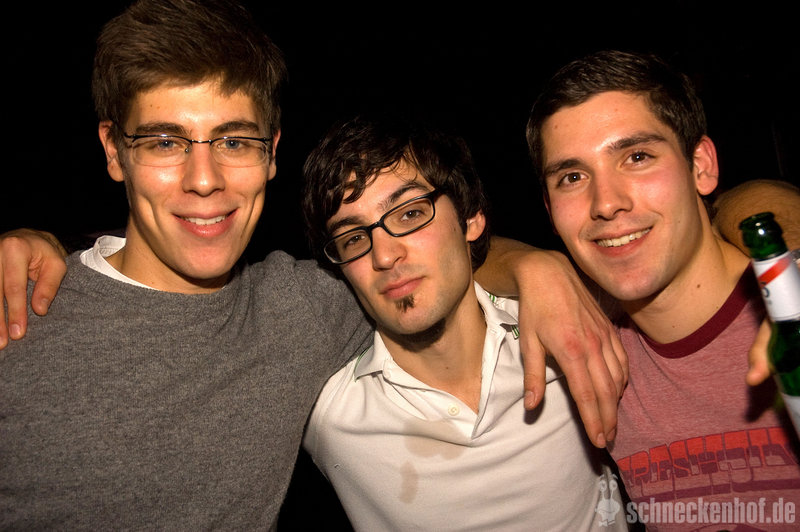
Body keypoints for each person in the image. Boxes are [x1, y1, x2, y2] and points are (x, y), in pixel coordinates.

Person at [0, 0, 629, 528]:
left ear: (271, 152)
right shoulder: (19, 313)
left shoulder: (304, 305)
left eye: (235, 141)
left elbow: (439, 265)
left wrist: (540, 269)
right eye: (165, 142)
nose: (204, 180)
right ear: (114, 151)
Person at [298, 113, 627, 530]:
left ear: (470, 219)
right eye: (353, 238)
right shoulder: (328, 411)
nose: (384, 255)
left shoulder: (567, 327)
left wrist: (538, 264)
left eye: (409, 214)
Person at [525, 49, 800, 529]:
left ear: (701, 166)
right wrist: (530, 266)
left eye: (637, 157)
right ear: (550, 212)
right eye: (572, 177)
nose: (606, 203)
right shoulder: (584, 349)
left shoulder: (788, 313)